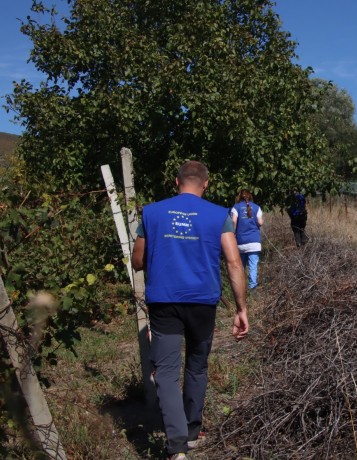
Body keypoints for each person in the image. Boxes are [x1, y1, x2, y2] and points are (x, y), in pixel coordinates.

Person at [131, 160, 248, 460]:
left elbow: (137, 261)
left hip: (164, 301)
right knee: (197, 365)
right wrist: (241, 308)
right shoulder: (219, 215)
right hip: (202, 302)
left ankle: (177, 446)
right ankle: (193, 431)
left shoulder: (152, 212)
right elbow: (234, 262)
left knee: (167, 372)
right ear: (206, 183)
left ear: (176, 182)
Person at [230, 189, 263, 290]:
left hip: (241, 242)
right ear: (250, 196)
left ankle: (241, 287)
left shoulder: (236, 207)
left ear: (239, 197)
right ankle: (253, 287)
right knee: (253, 266)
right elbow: (260, 222)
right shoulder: (257, 207)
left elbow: (233, 221)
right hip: (254, 242)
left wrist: (233, 233)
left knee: (240, 267)